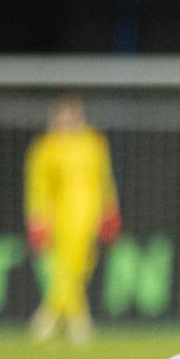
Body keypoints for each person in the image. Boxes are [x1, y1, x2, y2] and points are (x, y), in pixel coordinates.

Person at [24, 95, 121, 345]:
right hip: (59, 214)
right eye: (62, 117)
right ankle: (75, 321)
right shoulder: (45, 147)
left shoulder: (94, 143)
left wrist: (110, 209)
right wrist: (36, 216)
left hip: (90, 213)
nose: (66, 121)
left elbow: (105, 179)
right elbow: (37, 185)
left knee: (79, 266)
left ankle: (51, 316)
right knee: (67, 267)